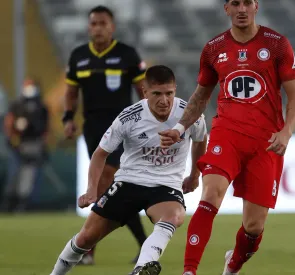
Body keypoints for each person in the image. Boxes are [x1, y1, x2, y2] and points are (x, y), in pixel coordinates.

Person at [159, 0, 295, 274]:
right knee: (210, 194)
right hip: (227, 134)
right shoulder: (214, 49)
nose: (241, 9)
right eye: (235, 3)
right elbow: (201, 97)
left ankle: (233, 264)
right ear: (226, 8)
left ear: (256, 6)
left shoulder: (277, 45)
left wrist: (286, 132)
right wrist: (179, 129)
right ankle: (189, 271)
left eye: (247, 2)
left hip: (266, 142)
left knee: (254, 227)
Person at [49, 65, 208, 275]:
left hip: (165, 185)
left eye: (169, 93)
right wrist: (91, 190)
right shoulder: (129, 117)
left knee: (174, 216)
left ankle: (141, 269)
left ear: (175, 90)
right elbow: (100, 154)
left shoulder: (189, 114)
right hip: (128, 183)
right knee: (86, 238)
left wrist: (194, 175)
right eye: (157, 94)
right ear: (144, 92)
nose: (164, 100)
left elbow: (200, 139)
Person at [62, 5, 148, 264]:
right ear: (89, 27)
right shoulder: (79, 56)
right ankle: (144, 244)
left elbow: (142, 90)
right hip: (93, 127)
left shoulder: (127, 55)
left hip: (123, 125)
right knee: (112, 187)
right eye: (94, 23)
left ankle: (87, 248)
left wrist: (150, 119)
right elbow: (71, 93)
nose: (97, 28)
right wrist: (68, 118)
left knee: (107, 180)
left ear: (112, 26)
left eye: (102, 23)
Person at [1, 79, 49, 212]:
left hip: (34, 144)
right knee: (14, 175)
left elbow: (45, 128)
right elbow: (9, 122)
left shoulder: (41, 106)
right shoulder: (18, 104)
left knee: (29, 176)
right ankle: (10, 202)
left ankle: (24, 204)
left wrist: (43, 146)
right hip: (19, 144)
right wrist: (11, 138)